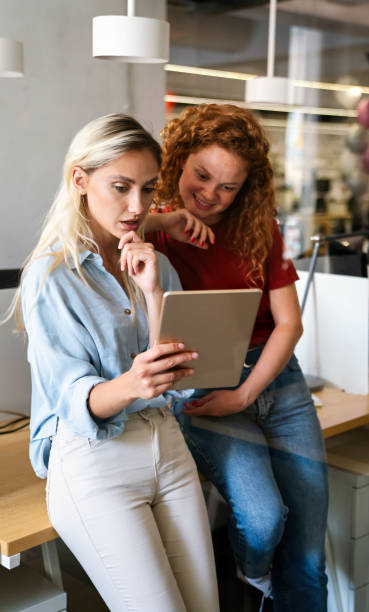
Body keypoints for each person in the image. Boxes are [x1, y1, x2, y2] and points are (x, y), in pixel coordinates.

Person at [11, 113, 220, 612]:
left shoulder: (156, 264)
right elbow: (76, 401)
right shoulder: (51, 276)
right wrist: (132, 382)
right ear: (80, 181)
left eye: (148, 189)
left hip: (167, 447)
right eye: (121, 187)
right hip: (95, 460)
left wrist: (152, 292)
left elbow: (184, 381)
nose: (137, 206)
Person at [145, 103, 329, 612]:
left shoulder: (260, 226)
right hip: (201, 385)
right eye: (201, 176)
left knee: (309, 556)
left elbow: (290, 323)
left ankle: (273, 587)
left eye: (227, 187)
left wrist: (246, 393)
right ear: (179, 159)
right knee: (265, 518)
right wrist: (166, 218)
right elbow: (95, 230)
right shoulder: (156, 224)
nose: (210, 195)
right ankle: (255, 579)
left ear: (245, 187)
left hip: (277, 384)